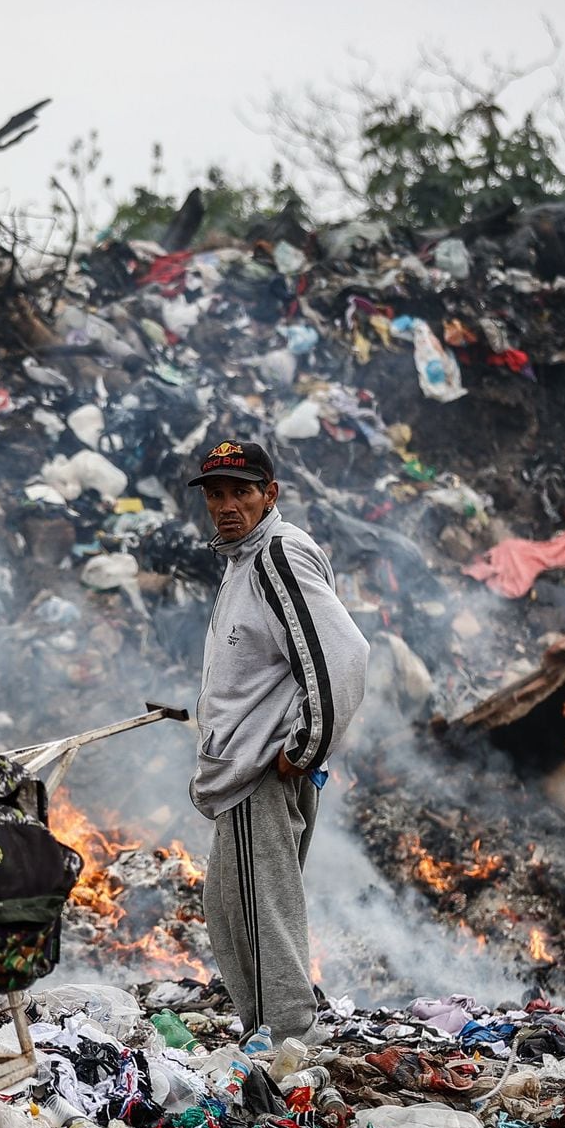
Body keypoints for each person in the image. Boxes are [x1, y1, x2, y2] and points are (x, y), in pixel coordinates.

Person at [187, 439, 368, 1043]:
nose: (227, 505)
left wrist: (307, 746)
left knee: (261, 914)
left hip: (260, 771)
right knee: (229, 908)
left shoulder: (278, 556)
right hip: (240, 772)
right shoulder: (244, 562)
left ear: (271, 494)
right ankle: (266, 1031)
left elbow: (340, 655)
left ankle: (287, 1039)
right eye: (216, 493)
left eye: (242, 491)